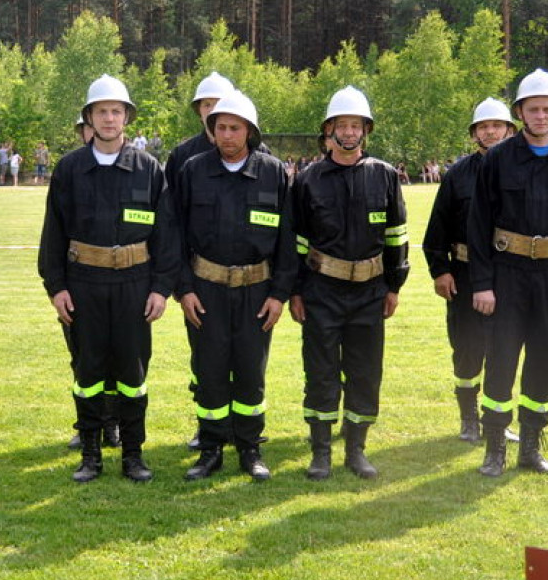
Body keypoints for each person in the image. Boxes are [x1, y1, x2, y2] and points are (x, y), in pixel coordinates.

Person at [38, 74, 178, 483]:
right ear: (90, 117)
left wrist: (161, 289)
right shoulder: (69, 169)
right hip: (84, 285)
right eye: (102, 111)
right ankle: (92, 457)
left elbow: (166, 234)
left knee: (133, 375)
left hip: (135, 285)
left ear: (127, 118)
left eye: (117, 111)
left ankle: (133, 456)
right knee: (88, 372)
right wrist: (56, 287)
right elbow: (53, 233)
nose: (110, 119)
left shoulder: (148, 169)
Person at [468, 69, 548, 477]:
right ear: (521, 113)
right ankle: (495, 449)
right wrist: (483, 284)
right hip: (508, 274)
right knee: (502, 360)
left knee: (544, 361)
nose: (541, 116)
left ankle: (530, 449)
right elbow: (478, 224)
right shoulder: (498, 159)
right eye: (533, 109)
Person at [176, 89, 296, 481]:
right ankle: (210, 450)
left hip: (256, 293)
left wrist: (279, 294)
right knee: (209, 371)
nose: (226, 134)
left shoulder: (273, 172)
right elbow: (173, 235)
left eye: (235, 128)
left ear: (250, 131)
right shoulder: (192, 171)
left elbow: (286, 240)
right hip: (205, 291)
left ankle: (249, 448)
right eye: (220, 127)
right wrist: (185, 291)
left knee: (250, 371)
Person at [290, 86, 409, 479]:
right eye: (342, 124)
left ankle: (356, 449)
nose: (349, 131)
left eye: (356, 125)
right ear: (329, 130)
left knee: (364, 371)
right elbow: (296, 242)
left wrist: (394, 286)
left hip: (370, 293)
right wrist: (295, 291)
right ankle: (321, 451)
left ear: (365, 130)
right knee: (321, 371)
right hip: (322, 291)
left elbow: (396, 236)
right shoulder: (308, 180)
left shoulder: (385, 177)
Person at [423, 98, 516, 442]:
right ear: (475, 133)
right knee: (466, 348)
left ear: (510, 129)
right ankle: (468, 419)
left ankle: (498, 420)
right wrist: (440, 271)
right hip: (462, 276)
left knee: (504, 349)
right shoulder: (458, 175)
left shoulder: (520, 170)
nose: (490, 131)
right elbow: (436, 230)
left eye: (497, 125)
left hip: (509, 276)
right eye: (483, 126)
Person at [163, 71, 237, 451]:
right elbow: (170, 224)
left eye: (218, 104)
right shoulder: (181, 157)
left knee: (246, 358)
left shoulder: (257, 153)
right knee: (204, 357)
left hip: (246, 283)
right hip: (199, 279)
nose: (212, 112)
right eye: (206, 105)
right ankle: (206, 424)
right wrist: (181, 284)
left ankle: (243, 428)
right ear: (199, 112)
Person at [64, 116, 121, 453]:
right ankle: (87, 425)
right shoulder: (72, 171)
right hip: (80, 285)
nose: (90, 132)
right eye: (85, 128)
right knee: (83, 361)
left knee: (117, 361)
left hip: (120, 287)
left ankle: (111, 424)